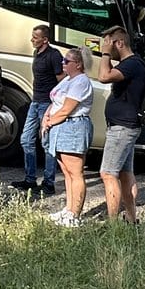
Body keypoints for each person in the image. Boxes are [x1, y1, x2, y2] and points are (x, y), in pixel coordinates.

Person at [98, 26, 145, 223]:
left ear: (119, 43)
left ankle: (112, 224)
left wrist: (104, 54)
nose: (106, 48)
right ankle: (131, 218)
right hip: (125, 126)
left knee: (108, 173)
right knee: (125, 174)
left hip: (122, 128)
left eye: (109, 44)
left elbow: (103, 77)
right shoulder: (133, 64)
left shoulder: (131, 64)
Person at [43, 47, 95, 226]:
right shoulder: (67, 80)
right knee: (66, 172)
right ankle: (68, 208)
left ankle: (75, 214)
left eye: (67, 61)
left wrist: (50, 122)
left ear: (78, 64)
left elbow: (67, 109)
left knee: (75, 172)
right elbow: (55, 102)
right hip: (61, 126)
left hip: (73, 126)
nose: (62, 63)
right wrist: (46, 118)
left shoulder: (81, 81)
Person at [12, 25, 65, 195]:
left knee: (47, 143)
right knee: (26, 139)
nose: (32, 40)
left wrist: (55, 103)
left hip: (46, 104)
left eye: (35, 37)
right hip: (35, 102)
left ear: (45, 39)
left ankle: (49, 182)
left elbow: (62, 80)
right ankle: (30, 178)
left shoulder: (54, 55)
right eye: (32, 36)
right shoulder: (37, 53)